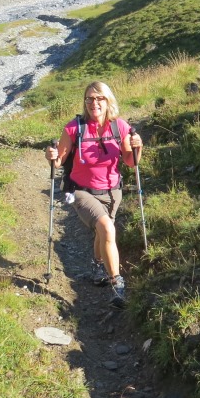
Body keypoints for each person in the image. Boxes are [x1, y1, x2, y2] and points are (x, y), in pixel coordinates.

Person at [45, 81, 143, 308]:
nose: (94, 103)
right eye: (89, 98)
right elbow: (58, 162)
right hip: (80, 192)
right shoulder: (74, 128)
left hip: (112, 192)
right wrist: (51, 156)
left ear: (108, 101)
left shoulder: (120, 127)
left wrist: (138, 146)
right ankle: (117, 285)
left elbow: (131, 162)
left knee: (103, 230)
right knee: (107, 228)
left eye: (99, 98)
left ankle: (97, 265)